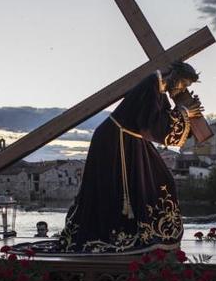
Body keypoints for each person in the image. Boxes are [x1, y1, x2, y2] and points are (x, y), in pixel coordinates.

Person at [58, 61, 202, 254]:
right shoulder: (151, 85)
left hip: (131, 141)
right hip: (114, 141)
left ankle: (149, 232)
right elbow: (153, 126)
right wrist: (184, 112)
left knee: (162, 179)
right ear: (174, 77)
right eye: (183, 84)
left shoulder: (158, 88)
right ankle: (119, 235)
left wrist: (186, 113)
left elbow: (164, 119)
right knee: (119, 187)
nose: (182, 89)